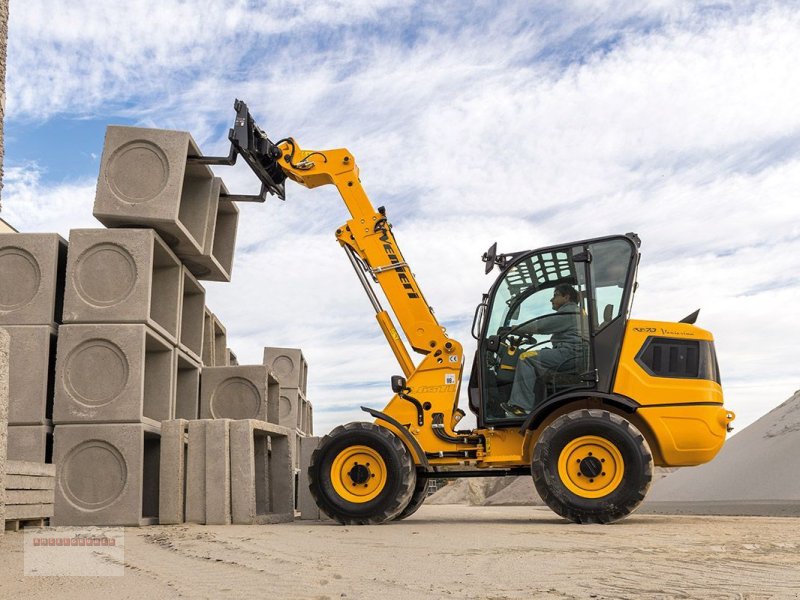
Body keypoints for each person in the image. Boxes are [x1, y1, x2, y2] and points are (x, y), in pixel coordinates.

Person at [501, 284, 587, 417]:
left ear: (566, 297)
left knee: (525, 358)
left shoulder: (569, 312)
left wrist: (513, 329)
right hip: (573, 354)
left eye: (555, 295)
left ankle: (521, 407)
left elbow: (541, 325)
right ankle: (538, 406)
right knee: (537, 363)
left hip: (570, 354)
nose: (551, 300)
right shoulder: (577, 312)